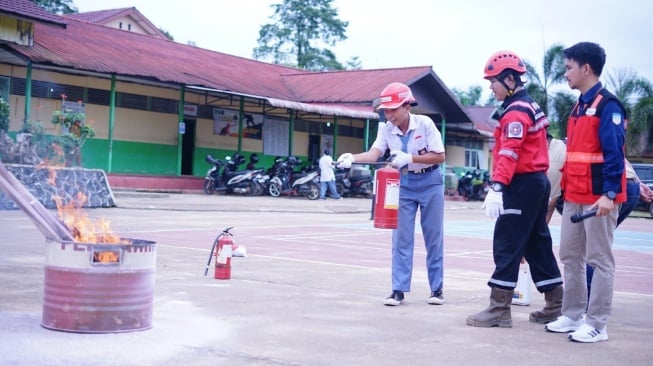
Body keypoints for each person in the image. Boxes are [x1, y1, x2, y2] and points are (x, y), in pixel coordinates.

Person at [466, 50, 563, 328]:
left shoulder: (516, 111)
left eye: (492, 81)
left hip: (522, 184)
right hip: (536, 182)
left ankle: (499, 309)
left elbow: (509, 152)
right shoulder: (528, 105)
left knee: (507, 242)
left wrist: (497, 186)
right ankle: (555, 303)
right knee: (536, 243)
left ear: (509, 79)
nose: (490, 87)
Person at [544, 42, 627, 343]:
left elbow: (614, 154)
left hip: (597, 198)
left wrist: (608, 193)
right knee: (570, 255)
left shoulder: (609, 106)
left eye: (568, 68)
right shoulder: (579, 105)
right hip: (575, 195)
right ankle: (572, 314)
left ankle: (597, 324)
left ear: (586, 68)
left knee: (599, 259)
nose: (565, 73)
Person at [336, 82, 446, 306]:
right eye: (386, 110)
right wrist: (352, 157)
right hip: (404, 185)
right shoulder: (386, 128)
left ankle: (436, 289)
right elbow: (375, 153)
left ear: (407, 106)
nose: (389, 115)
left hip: (430, 182)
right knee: (401, 238)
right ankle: (398, 289)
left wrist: (411, 158)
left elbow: (440, 156)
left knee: (433, 237)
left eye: (394, 109)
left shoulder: (425, 124)